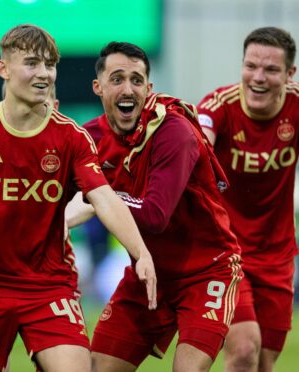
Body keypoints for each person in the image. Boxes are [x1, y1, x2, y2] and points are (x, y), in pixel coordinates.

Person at [0, 24, 157, 372]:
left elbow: (103, 199)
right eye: (32, 63)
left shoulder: (72, 138)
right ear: (3, 69)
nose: (44, 74)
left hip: (47, 283)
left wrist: (140, 252)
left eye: (50, 65)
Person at [66, 41, 243, 372]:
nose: (127, 89)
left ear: (149, 88)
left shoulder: (174, 132)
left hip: (205, 271)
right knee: (96, 368)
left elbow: (154, 216)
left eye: (136, 80)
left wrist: (98, 196)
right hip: (147, 274)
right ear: (98, 86)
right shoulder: (87, 138)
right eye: (117, 79)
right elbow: (52, 197)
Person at [197, 26, 298, 371]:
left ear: (289, 74)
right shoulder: (219, 106)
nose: (258, 78)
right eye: (250, 66)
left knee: (264, 364)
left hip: (278, 255)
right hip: (227, 251)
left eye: (271, 70)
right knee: (242, 350)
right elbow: (197, 144)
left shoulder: (297, 108)